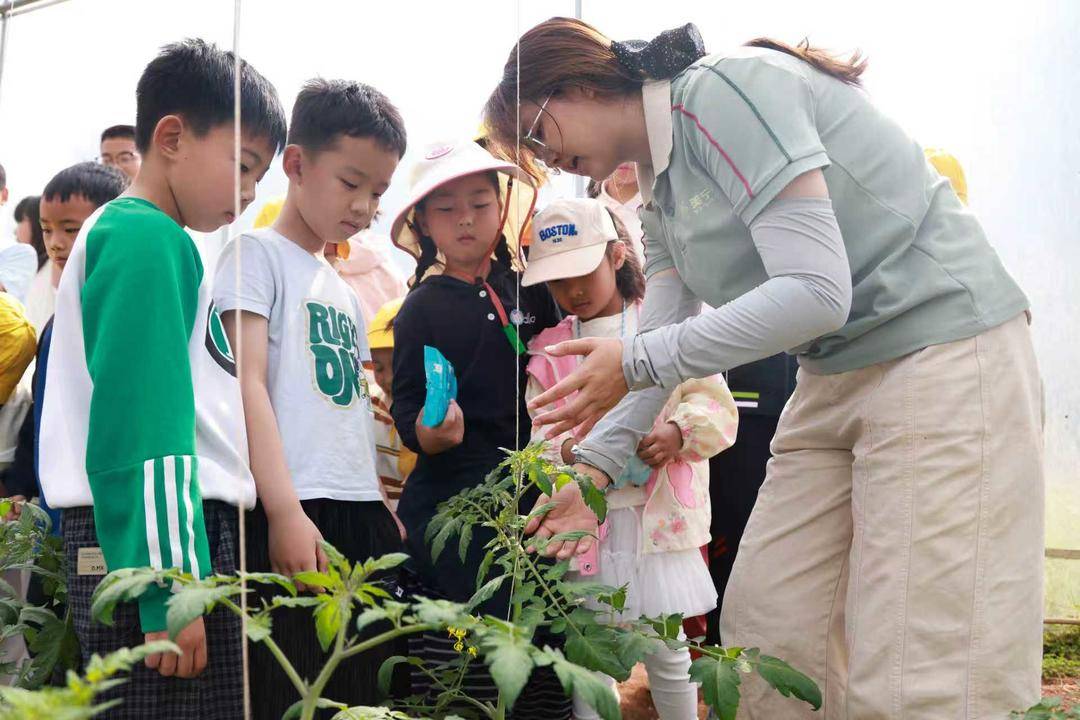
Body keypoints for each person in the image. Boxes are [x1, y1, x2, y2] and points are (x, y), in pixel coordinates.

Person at [484, 19, 1042, 719]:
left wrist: (634, 359)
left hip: (940, 352)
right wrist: (592, 471)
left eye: (537, 133)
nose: (549, 157)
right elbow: (657, 335)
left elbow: (815, 292)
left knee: (915, 662)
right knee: (769, 636)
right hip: (833, 373)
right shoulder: (657, 187)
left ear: (580, 85)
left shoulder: (722, 92)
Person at [37, 38, 286, 719]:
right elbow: (144, 423)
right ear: (172, 136)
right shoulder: (146, 238)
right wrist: (170, 589)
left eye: (259, 175)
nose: (250, 191)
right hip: (162, 541)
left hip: (163, 532)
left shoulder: (152, 238)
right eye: (241, 165)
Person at [214, 78, 406, 716]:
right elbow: (247, 385)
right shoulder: (254, 254)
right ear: (296, 164)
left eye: (377, 192)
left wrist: (381, 499)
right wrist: (285, 512)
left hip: (357, 506)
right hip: (293, 504)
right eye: (351, 183)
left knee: (364, 685)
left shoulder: (345, 289)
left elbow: (354, 409)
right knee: (294, 686)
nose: (364, 205)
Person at [524, 197, 737, 719]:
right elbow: (538, 437)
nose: (572, 291)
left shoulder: (667, 325)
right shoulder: (549, 349)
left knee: (668, 650)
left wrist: (675, 432)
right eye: (557, 281)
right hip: (590, 522)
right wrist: (568, 452)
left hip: (656, 523)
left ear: (618, 256)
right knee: (591, 651)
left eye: (582, 272)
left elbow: (716, 405)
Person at [388, 140, 569, 716]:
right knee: (460, 650)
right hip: (452, 508)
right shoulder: (419, 308)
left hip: (533, 496)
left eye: (479, 202)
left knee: (541, 644)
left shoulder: (536, 290)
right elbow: (409, 413)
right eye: (445, 209)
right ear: (422, 224)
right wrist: (433, 431)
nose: (465, 218)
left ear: (502, 206)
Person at [366, 297, 416, 510]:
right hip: (381, 512)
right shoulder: (369, 404)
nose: (388, 378)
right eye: (378, 368)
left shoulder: (432, 409)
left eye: (397, 366)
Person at [586, 163, 644, 262]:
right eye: (618, 147)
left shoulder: (664, 211)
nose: (625, 157)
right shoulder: (586, 214)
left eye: (632, 147)